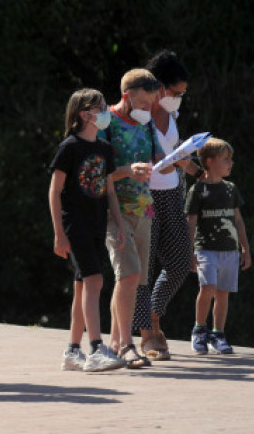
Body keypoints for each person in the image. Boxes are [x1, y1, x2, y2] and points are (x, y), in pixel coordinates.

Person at [49, 88, 128, 372]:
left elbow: (110, 192)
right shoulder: (69, 147)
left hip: (97, 224)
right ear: (85, 114)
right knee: (95, 282)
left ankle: (72, 350)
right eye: (101, 107)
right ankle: (96, 348)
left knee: (83, 285)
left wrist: (118, 225)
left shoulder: (104, 149)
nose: (106, 112)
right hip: (76, 225)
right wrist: (59, 233)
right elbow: (54, 191)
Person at [100, 68, 165, 369]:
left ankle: (115, 342)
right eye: (142, 104)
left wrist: (176, 161)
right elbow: (93, 176)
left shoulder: (148, 124)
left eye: (151, 105)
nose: (147, 110)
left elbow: (158, 161)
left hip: (144, 209)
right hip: (115, 210)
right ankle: (126, 344)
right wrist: (127, 171)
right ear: (126, 96)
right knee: (127, 275)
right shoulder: (106, 123)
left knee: (135, 278)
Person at [140, 50, 199, 360]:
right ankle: (148, 334)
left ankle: (152, 313)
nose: (179, 98)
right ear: (160, 87)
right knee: (144, 267)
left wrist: (194, 167)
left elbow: (174, 151)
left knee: (180, 262)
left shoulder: (172, 114)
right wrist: (157, 164)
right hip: (143, 196)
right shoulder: (139, 113)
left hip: (172, 193)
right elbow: (129, 154)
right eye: (176, 92)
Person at [186, 138, 251, 355]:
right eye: (226, 159)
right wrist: (190, 251)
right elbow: (191, 222)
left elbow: (239, 220)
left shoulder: (231, 189)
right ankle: (199, 330)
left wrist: (245, 248)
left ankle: (218, 334)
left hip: (230, 250)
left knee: (223, 293)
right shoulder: (197, 190)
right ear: (210, 161)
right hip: (205, 248)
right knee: (208, 287)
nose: (231, 163)